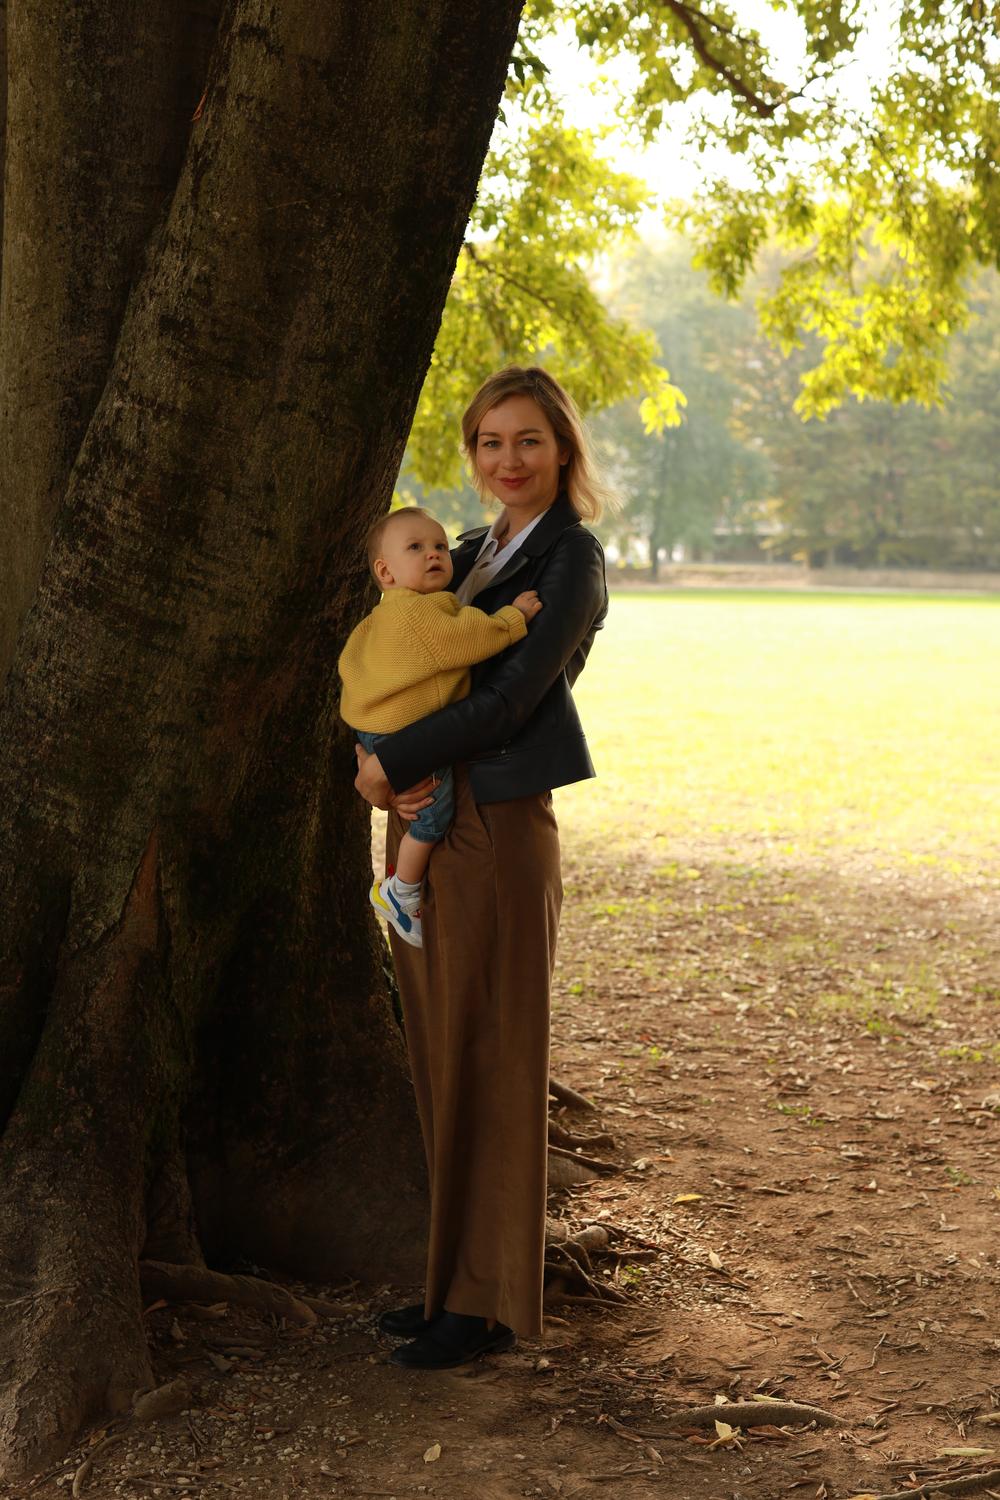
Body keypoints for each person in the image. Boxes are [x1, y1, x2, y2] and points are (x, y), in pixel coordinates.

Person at [353, 365, 612, 1369]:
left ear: (562, 453)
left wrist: (390, 766)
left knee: (495, 1056)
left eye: (528, 442)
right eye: (489, 444)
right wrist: (371, 775)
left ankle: (488, 1303)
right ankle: (446, 1285)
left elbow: (509, 701)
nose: (507, 460)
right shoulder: (458, 554)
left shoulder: (573, 560)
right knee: (438, 1050)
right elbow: (390, 670)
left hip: (497, 827)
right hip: (421, 820)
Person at [338, 506, 543, 947]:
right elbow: (469, 638)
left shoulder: (385, 615)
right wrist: (514, 618)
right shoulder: (419, 615)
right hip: (401, 735)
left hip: (379, 728)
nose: (434, 554)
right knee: (432, 812)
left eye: (438, 545)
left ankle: (400, 885)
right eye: (416, 548)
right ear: (385, 571)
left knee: (418, 803)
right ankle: (400, 889)